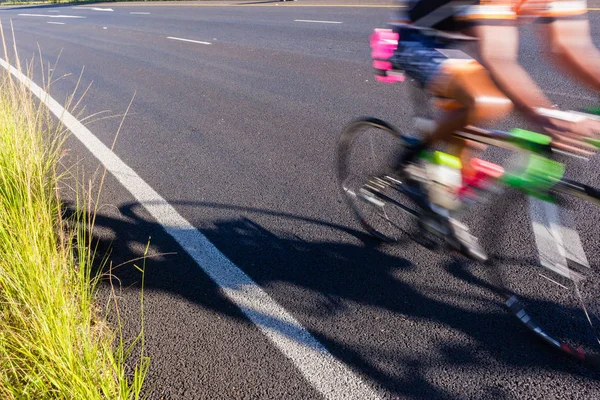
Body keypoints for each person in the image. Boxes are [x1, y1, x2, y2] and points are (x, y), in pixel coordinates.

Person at [379, 0, 600, 259]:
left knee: (480, 116)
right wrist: (545, 117)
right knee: (488, 103)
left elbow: (570, 47)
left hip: (467, 37)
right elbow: (496, 59)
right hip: (423, 38)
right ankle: (412, 153)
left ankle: (445, 193)